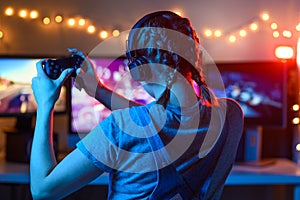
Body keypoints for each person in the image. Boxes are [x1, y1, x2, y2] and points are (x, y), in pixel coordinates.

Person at [30, 10, 243, 200]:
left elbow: (43, 191)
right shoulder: (230, 115)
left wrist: (45, 104)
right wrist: (98, 90)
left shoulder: (120, 129)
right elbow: (151, 121)